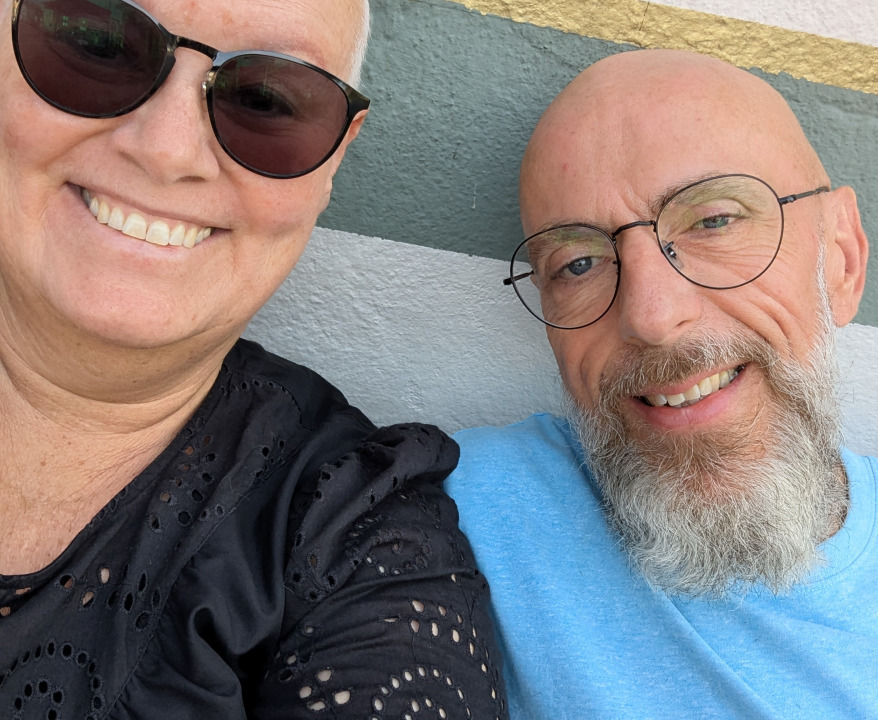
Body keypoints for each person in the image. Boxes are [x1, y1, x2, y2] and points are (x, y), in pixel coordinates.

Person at [0, 0, 508, 718]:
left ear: (334, 159)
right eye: (98, 44)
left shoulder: (351, 538)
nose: (167, 151)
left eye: (266, 99)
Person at [447, 49, 878, 719]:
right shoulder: (449, 515)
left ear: (843, 260)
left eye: (714, 220)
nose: (652, 319)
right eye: (577, 263)